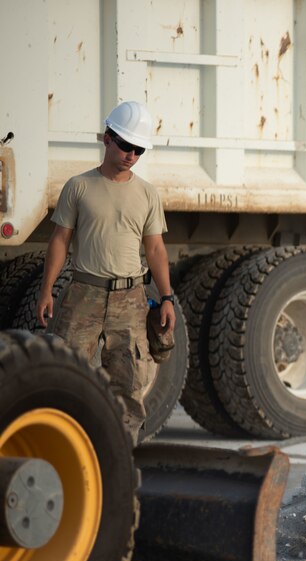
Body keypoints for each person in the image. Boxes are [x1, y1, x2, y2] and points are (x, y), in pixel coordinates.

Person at [36, 100, 175, 445]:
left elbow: (155, 249)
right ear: (107, 139)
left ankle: (121, 460)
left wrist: (168, 297)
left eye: (138, 149)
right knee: (66, 377)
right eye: (126, 145)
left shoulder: (147, 193)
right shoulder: (78, 187)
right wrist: (46, 290)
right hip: (85, 293)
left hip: (131, 299)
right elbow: (60, 240)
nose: (131, 154)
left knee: (129, 385)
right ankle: (62, 448)